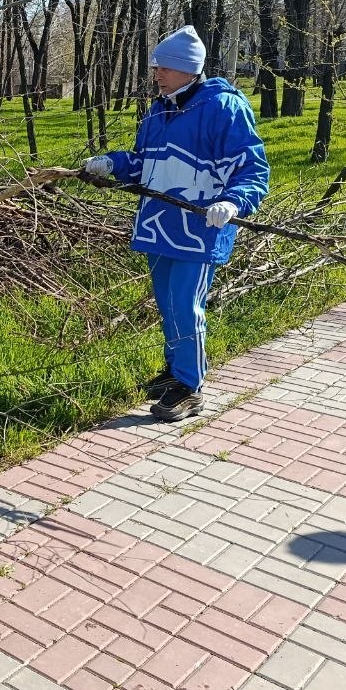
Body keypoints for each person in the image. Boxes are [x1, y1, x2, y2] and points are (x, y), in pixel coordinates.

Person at [84, 25, 269, 422]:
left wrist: (234, 202)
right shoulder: (160, 110)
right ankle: (175, 372)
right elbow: (144, 164)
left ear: (187, 69)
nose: (156, 74)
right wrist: (113, 164)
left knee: (186, 306)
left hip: (199, 231)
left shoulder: (223, 108)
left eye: (163, 68)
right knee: (169, 306)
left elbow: (252, 169)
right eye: (156, 68)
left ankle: (191, 387)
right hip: (158, 226)